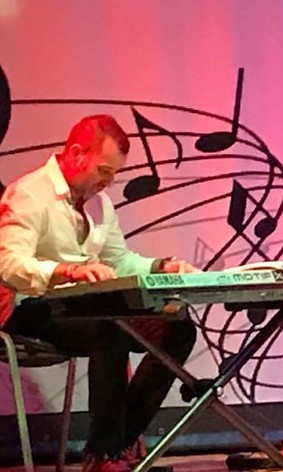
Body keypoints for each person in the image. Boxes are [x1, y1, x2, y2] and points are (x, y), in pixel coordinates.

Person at [0, 114, 197, 472]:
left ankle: (113, 446)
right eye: (104, 171)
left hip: (82, 307)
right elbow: (9, 264)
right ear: (77, 153)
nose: (108, 182)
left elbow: (119, 261)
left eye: (114, 174)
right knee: (109, 327)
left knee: (177, 328)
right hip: (30, 304)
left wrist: (161, 266)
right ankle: (106, 454)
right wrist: (66, 271)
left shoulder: (98, 203)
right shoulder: (29, 193)